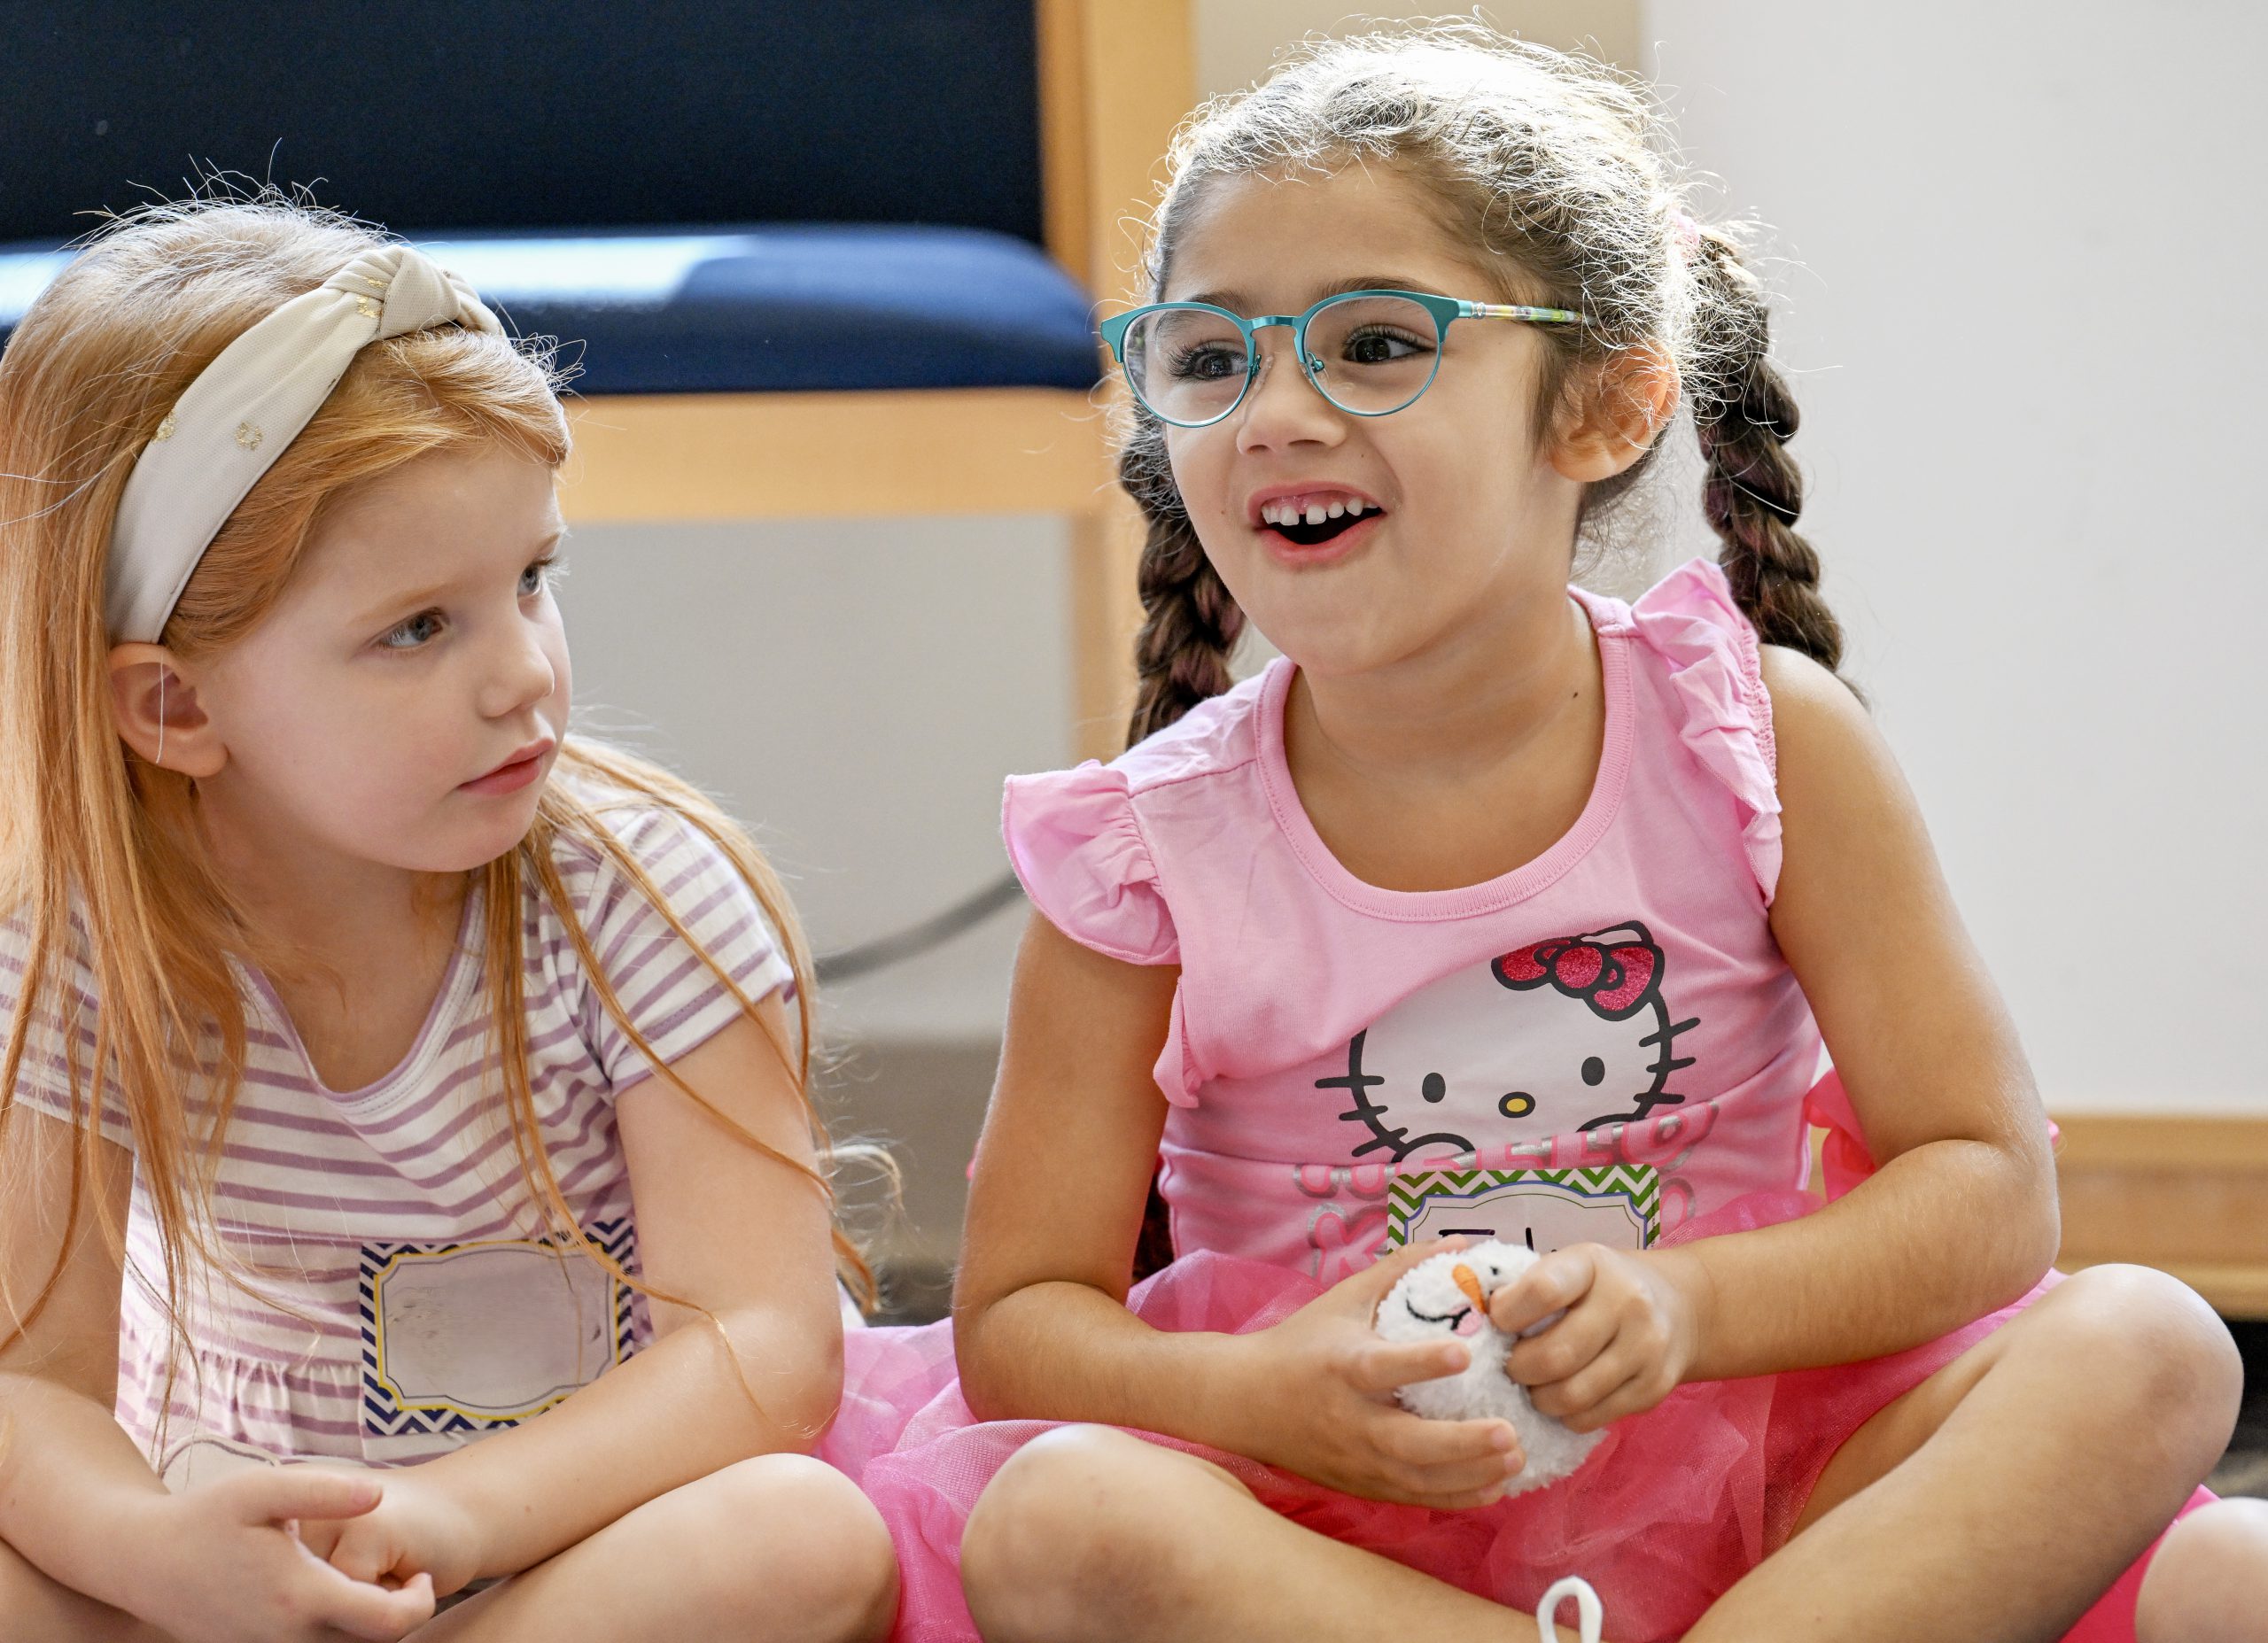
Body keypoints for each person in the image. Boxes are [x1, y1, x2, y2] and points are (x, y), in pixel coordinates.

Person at [834, 27, 2266, 1643]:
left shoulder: (1758, 738)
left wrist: (1684, 1303)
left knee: (2155, 1348)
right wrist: (1263, 1395)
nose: (1278, 412)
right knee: (1065, 1520)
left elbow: (1989, 1191)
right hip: (1336, 1532)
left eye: (1377, 344)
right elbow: (1020, 1321)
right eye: (1214, 357)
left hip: (1780, 1490)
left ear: (1603, 406)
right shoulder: (1143, 851)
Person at [0, 197, 898, 1642]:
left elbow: (763, 1344)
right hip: (246, 1552)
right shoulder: (80, 946)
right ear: (173, 705)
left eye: (531, 583)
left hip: (581, 1540)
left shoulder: (635, 896)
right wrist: (162, 1556)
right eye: (419, 628)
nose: (523, 679)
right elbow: (27, 1389)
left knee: (800, 1539)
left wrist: (453, 1513)